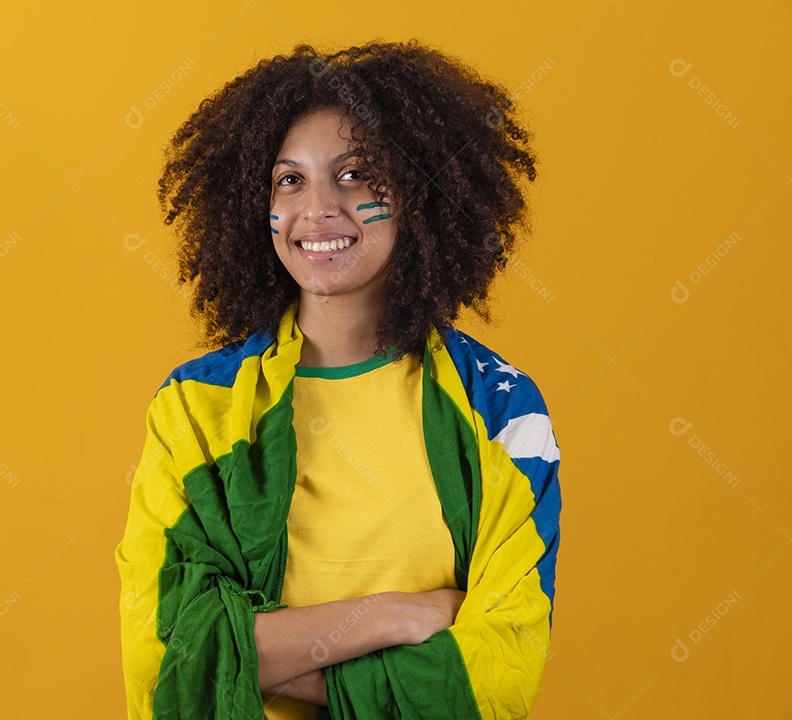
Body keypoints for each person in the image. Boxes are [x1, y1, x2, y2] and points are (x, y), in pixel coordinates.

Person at [115, 39, 562, 720]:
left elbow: (497, 676)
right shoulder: (195, 409)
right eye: (289, 180)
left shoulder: (501, 410)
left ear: (420, 193)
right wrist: (397, 616)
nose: (317, 208)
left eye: (356, 175)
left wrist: (249, 660)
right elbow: (160, 653)